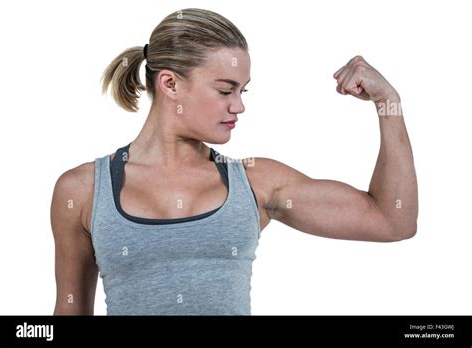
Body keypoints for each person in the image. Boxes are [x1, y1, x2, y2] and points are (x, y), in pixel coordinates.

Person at [51, 8, 418, 315]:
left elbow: (393, 220)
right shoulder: (83, 190)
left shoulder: (256, 182)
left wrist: (389, 105)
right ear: (170, 84)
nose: (238, 105)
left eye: (243, 91)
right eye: (226, 90)